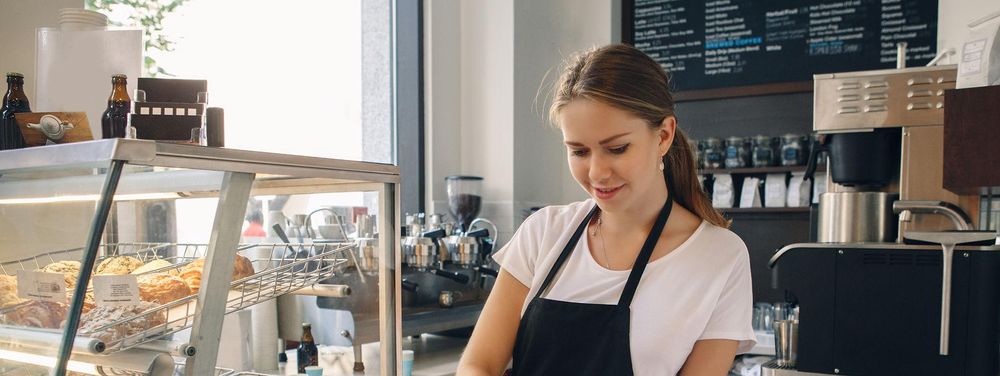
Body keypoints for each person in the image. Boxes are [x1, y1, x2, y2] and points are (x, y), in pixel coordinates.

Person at [456, 44, 755, 376]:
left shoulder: (719, 258)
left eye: (617, 148)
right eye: (579, 151)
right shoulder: (542, 233)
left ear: (664, 135)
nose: (596, 172)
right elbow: (477, 364)